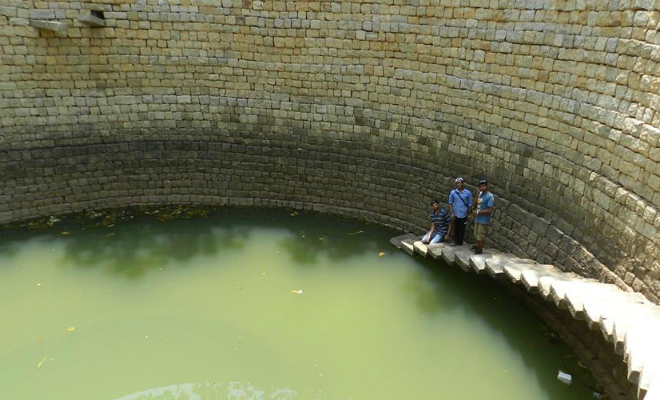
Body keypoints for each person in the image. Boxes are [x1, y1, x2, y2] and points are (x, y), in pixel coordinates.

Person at [471, 180, 494, 254]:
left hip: (484, 220)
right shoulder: (480, 194)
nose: (482, 187)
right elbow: (477, 204)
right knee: (477, 235)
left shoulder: (490, 196)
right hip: (478, 219)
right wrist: (477, 195)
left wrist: (478, 212)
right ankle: (477, 246)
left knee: (481, 236)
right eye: (481, 186)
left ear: (487, 186)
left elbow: (490, 210)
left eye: (484, 186)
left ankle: (480, 249)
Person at [448, 177, 473, 246]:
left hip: (464, 213)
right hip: (455, 213)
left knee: (462, 228)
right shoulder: (453, 193)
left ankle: (460, 242)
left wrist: (470, 214)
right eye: (458, 183)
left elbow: (470, 204)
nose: (459, 184)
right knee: (456, 227)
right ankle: (455, 241)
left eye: (461, 182)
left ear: (463, 183)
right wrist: (451, 213)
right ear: (456, 184)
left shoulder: (468, 193)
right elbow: (450, 203)